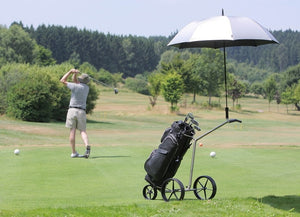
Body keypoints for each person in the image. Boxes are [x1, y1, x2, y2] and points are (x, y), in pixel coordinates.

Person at [60, 69, 91, 158]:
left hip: (72, 110)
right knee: (82, 131)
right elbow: (76, 82)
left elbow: (62, 80)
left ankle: (74, 152)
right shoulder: (86, 88)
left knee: (72, 131)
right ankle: (87, 145)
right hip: (82, 111)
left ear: (80, 80)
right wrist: (75, 74)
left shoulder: (75, 86)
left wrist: (70, 72)